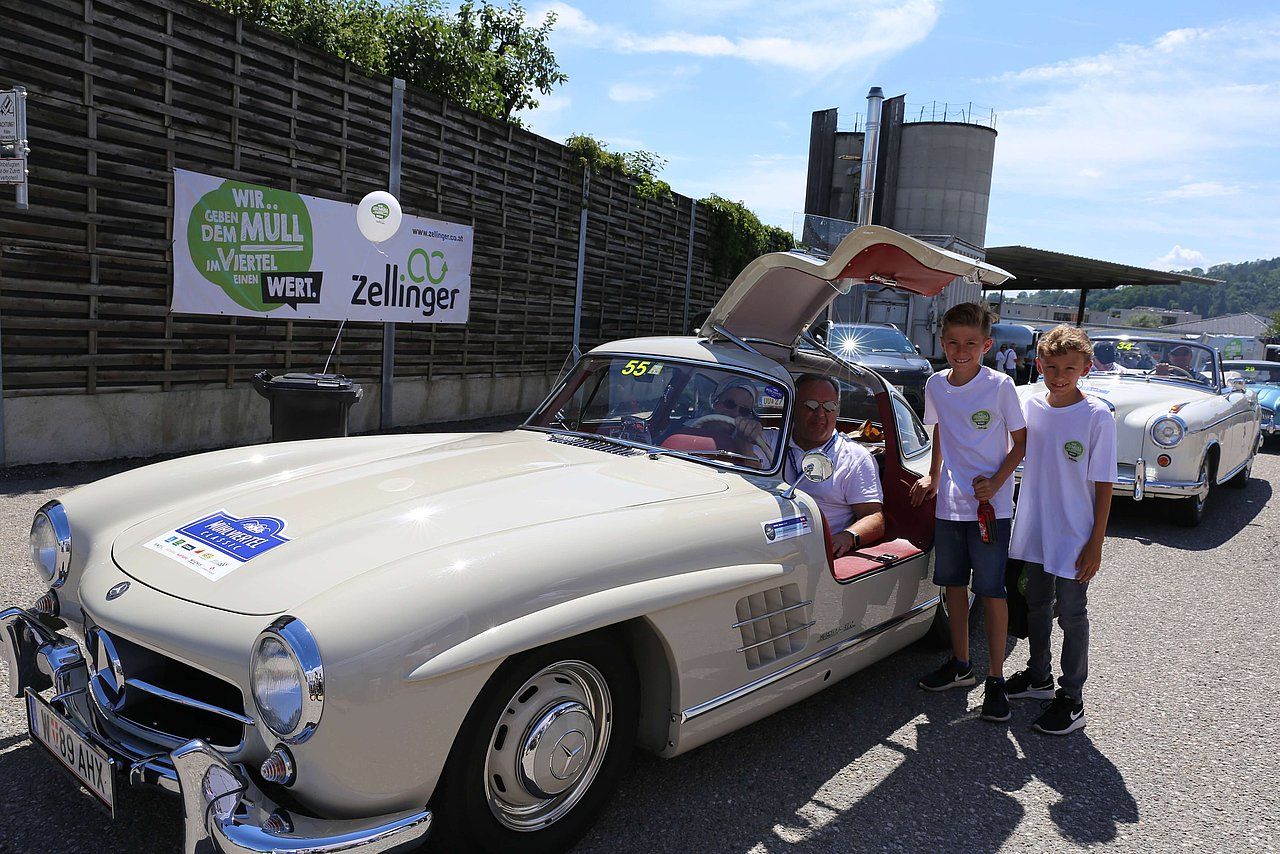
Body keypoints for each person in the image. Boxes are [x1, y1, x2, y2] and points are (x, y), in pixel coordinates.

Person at [910, 302, 1027, 723]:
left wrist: (997, 483)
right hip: (950, 506)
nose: (962, 351)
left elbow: (1022, 441)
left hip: (989, 509)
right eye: (954, 342)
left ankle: (995, 680)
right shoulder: (936, 385)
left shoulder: (1000, 387)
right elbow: (941, 430)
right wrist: (933, 477)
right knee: (953, 586)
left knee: (993, 591)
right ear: (942, 343)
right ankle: (962, 665)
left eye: (971, 344)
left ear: (987, 345)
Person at [1005, 326, 1116, 735]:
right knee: (1036, 605)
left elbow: (1105, 485)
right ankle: (1038, 677)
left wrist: (1095, 544)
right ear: (1039, 365)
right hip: (1035, 528)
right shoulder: (1031, 406)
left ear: (1086, 368)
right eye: (1051, 367)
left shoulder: (1097, 416)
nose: (1059, 376)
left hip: (1074, 534)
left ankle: (1072, 697)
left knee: (1071, 613)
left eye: (1070, 368)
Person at [765, 374, 884, 556]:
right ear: (793, 407)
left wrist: (847, 536)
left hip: (819, 554)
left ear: (837, 410)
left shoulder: (855, 457)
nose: (820, 415)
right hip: (763, 541)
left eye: (829, 407)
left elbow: (874, 517)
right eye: (811, 405)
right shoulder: (766, 442)